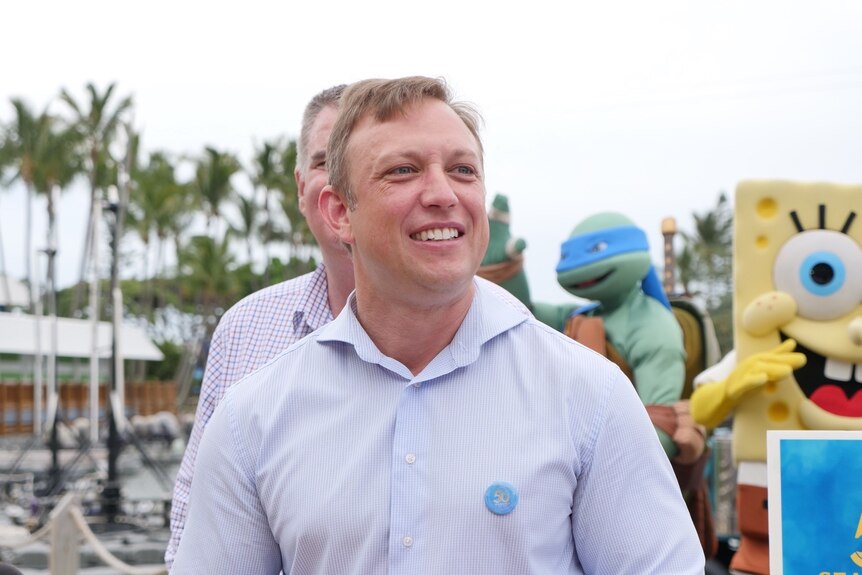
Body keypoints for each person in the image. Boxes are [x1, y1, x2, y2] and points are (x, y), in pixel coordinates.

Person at [171, 76, 704, 574]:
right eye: (403, 170)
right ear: (339, 213)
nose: (443, 193)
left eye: (463, 170)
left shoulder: (590, 396)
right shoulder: (252, 420)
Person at [164, 84, 356, 567]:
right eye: (323, 162)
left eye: (359, 161)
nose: (340, 182)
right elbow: (195, 494)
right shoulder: (244, 327)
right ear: (300, 188)